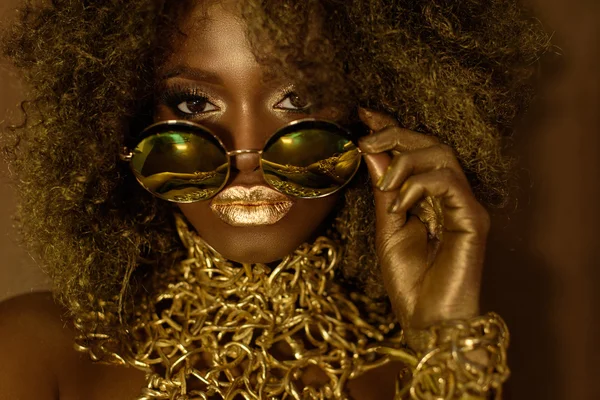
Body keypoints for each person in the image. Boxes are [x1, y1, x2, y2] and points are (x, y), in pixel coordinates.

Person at [0, 0, 552, 398]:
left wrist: (444, 342)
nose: (249, 156)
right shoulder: (32, 352)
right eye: (194, 104)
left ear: (371, 114)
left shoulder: (407, 372)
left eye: (298, 99)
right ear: (126, 119)